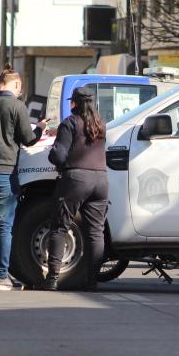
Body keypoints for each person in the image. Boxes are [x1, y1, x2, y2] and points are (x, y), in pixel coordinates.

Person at [0, 68, 47, 291]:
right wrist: (41, 128)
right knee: (4, 226)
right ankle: (2, 277)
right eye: (19, 88)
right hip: (4, 172)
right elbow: (29, 139)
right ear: (15, 86)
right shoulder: (16, 105)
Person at [44, 87, 108, 292]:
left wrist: (54, 149)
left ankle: (52, 278)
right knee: (95, 232)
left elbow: (58, 156)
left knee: (60, 227)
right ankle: (92, 281)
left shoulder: (70, 122)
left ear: (75, 103)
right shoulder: (101, 124)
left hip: (76, 179)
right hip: (101, 180)